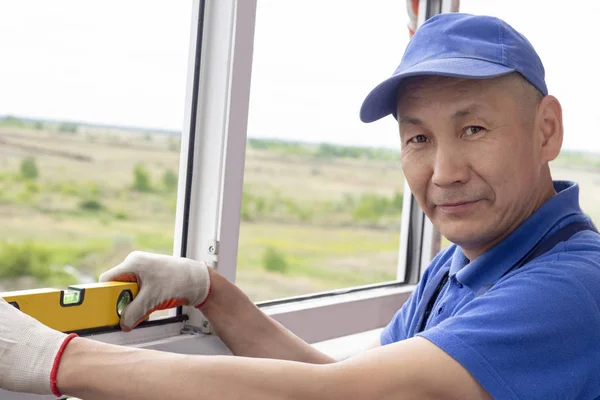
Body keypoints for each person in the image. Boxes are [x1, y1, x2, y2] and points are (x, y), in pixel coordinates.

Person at [1, 12, 600, 400]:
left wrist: (56, 359)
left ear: (546, 130)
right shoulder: (460, 266)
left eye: (473, 129)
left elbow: (339, 396)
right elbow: (329, 379)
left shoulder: (574, 286)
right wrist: (209, 290)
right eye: (418, 138)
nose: (443, 173)